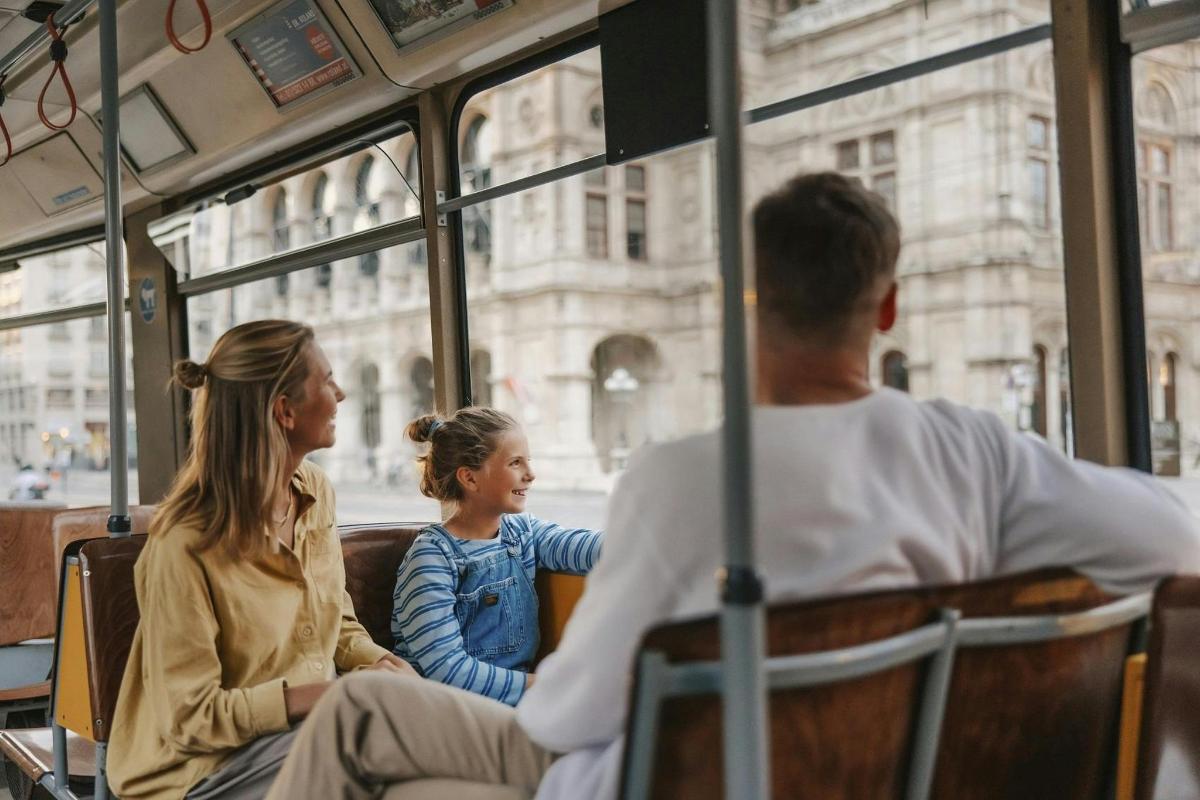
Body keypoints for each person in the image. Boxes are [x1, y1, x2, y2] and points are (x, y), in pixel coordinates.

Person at [265, 173, 1200, 800]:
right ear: (886, 307)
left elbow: (564, 718)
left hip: (666, 779)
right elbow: (1174, 542)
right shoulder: (975, 452)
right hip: (892, 771)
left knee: (361, 721)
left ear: (741, 301)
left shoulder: (680, 481)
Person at [107, 320, 412, 800]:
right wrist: (323, 697)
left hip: (298, 739)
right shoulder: (182, 545)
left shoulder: (314, 493)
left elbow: (335, 619)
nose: (341, 394)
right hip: (198, 773)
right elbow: (191, 721)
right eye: (327, 381)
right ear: (285, 411)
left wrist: (384, 664)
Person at [391, 408, 603, 705]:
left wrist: (645, 541)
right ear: (470, 478)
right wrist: (551, 686)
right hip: (445, 709)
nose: (530, 474)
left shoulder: (522, 532)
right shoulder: (431, 558)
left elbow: (582, 548)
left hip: (513, 703)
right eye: (516, 463)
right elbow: (450, 672)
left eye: (529, 461)